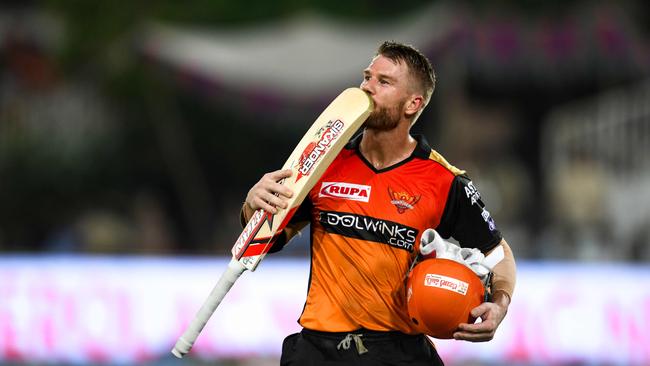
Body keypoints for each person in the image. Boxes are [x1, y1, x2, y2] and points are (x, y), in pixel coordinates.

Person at [241, 41, 516, 366]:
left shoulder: (444, 180)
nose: (366, 87)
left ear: (412, 104)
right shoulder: (322, 162)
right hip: (316, 351)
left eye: (383, 82)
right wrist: (252, 205)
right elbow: (264, 239)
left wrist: (499, 305)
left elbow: (497, 254)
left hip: (395, 352)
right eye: (367, 77)